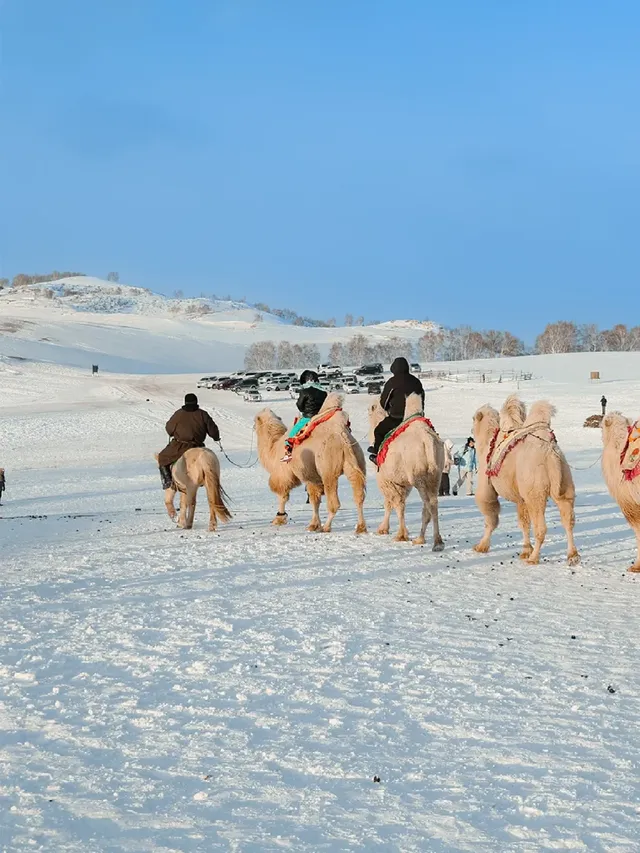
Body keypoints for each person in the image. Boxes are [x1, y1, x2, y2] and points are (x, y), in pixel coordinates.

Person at [157, 393, 220, 489]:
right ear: (196, 402)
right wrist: (216, 437)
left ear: (185, 402)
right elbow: (212, 429)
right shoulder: (203, 414)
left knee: (162, 458)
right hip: (198, 446)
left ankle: (168, 481)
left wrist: (172, 433)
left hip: (180, 445)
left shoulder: (179, 414)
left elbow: (169, 428)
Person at [367, 357, 424, 462]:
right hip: (416, 418)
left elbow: (384, 403)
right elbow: (422, 399)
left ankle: (378, 457)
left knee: (379, 431)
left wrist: (390, 408)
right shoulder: (416, 382)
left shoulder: (392, 382)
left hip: (397, 419)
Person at [281, 370, 327, 462]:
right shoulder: (324, 392)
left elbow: (300, 406)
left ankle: (288, 451)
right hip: (322, 417)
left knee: (293, 432)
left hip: (308, 418)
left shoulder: (305, 391)